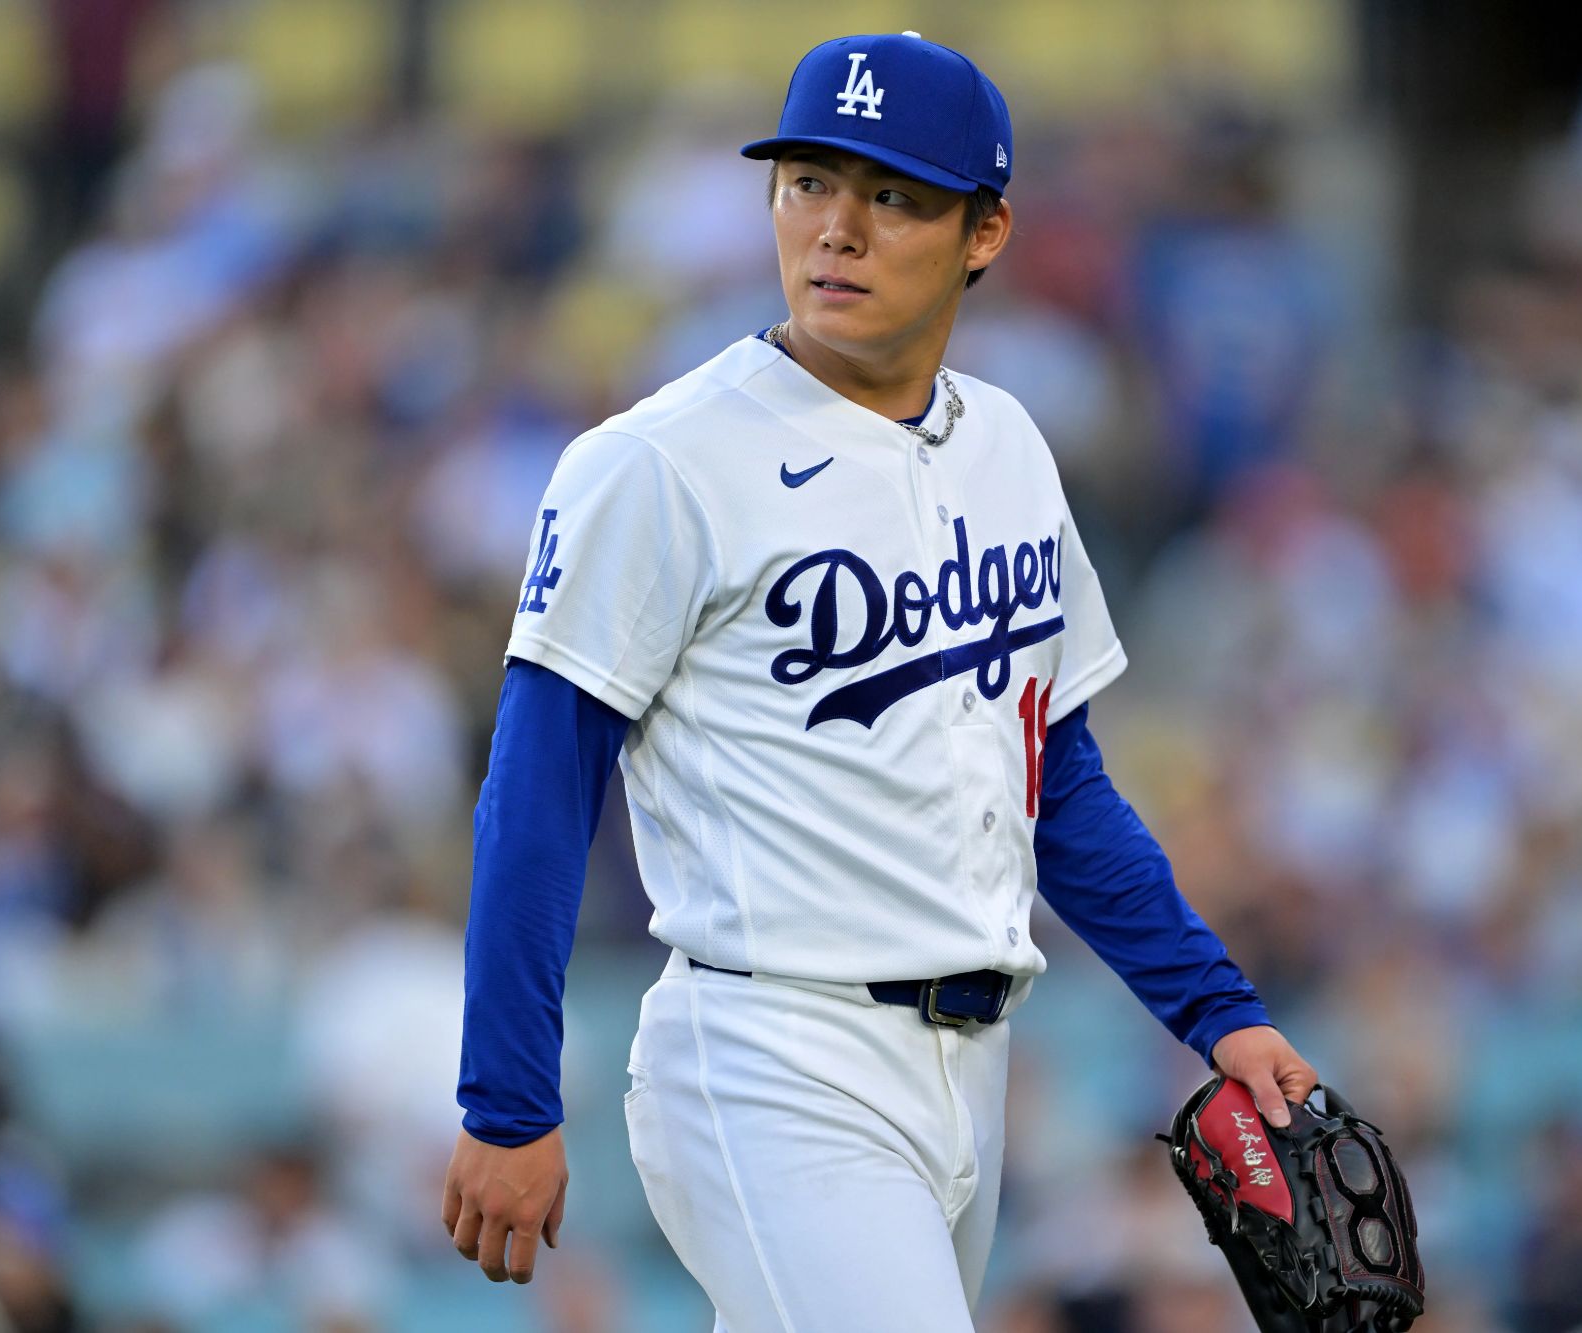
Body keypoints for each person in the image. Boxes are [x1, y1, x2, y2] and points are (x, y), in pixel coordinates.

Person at [440, 30, 1318, 1329]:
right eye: (809, 182)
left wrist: (1216, 1008)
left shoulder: (1010, 445)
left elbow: (1057, 787)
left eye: (894, 196)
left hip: (974, 1064)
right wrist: (506, 1099)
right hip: (771, 1053)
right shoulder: (660, 461)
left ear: (984, 232)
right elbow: (536, 791)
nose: (837, 230)